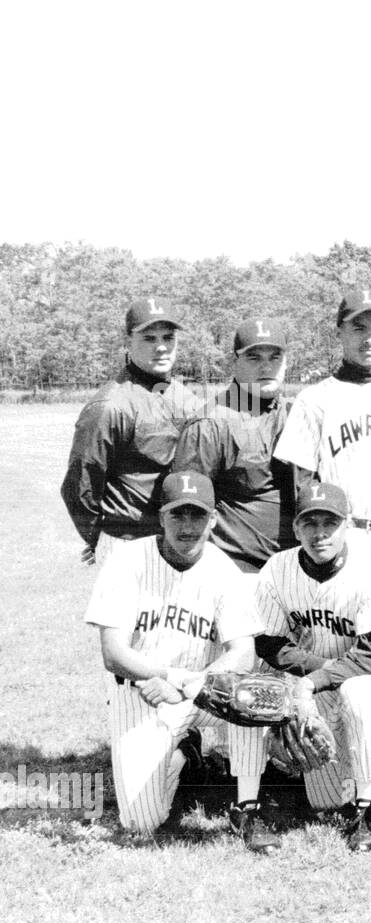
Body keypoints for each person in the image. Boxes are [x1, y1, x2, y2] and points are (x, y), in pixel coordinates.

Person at [83, 472, 261, 839]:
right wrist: (169, 680)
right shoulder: (127, 560)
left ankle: (247, 808)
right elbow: (113, 653)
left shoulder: (225, 572)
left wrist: (183, 687)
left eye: (198, 515)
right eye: (178, 515)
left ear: (213, 520)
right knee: (140, 822)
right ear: (161, 516)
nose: (188, 526)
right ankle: (188, 756)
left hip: (201, 693)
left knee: (248, 699)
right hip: (141, 693)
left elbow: (244, 655)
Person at [245, 481, 371, 853]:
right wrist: (316, 674)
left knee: (359, 693)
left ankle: (370, 808)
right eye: (309, 523)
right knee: (326, 801)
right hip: (316, 681)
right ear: (296, 528)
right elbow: (268, 642)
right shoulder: (277, 570)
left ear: (347, 525)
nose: (319, 533)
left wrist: (313, 681)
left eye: (329, 523)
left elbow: (368, 657)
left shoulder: (370, 571)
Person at [273, 287, 371, 563]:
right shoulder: (313, 399)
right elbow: (302, 487)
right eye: (358, 328)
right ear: (340, 331)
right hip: (342, 533)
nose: (369, 339)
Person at [62, 297, 198, 565]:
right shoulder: (110, 405)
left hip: (177, 538)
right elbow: (79, 485)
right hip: (128, 543)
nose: (161, 347)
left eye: (168, 337)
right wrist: (98, 539)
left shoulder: (185, 397)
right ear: (127, 341)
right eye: (149, 338)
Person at [173, 318, 297, 575]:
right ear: (234, 362)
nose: (266, 366)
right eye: (254, 357)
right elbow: (188, 509)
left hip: (294, 569)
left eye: (275, 357)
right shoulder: (210, 422)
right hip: (237, 570)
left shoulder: (297, 414)